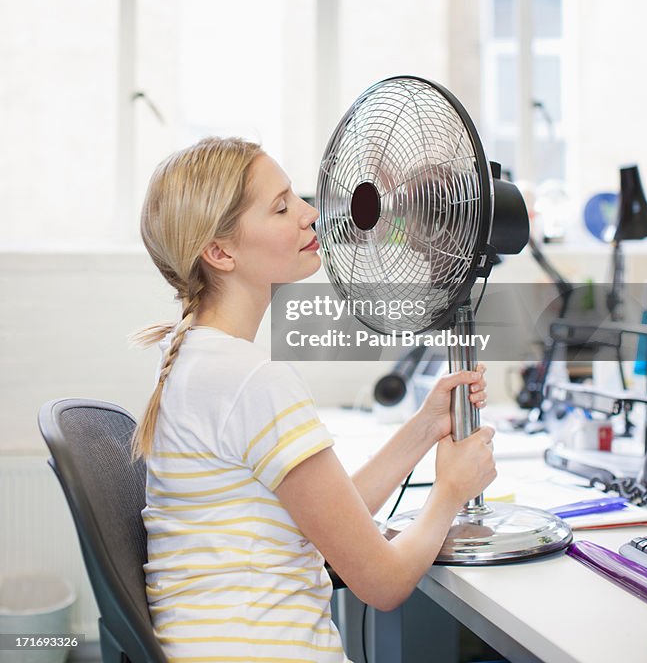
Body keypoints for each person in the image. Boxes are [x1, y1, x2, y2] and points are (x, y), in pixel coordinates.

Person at [129, 136, 496, 663]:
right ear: (220, 252)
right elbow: (382, 582)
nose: (310, 215)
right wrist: (451, 491)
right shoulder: (251, 379)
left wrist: (423, 427)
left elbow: (327, 518)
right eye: (281, 207)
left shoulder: (198, 357)